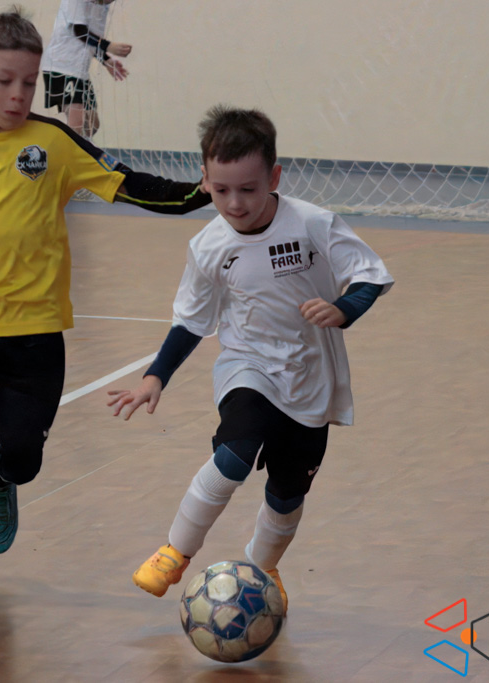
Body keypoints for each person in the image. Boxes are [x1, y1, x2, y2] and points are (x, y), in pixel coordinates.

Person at [0, 7, 211, 602]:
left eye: (29, 82)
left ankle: (0, 478)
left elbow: (129, 183)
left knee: (25, 456)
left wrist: (197, 194)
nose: (19, 94)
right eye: (5, 81)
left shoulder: (53, 141)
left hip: (34, 339)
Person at [107, 106, 394, 615]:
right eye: (221, 191)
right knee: (234, 453)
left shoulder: (312, 224)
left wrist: (343, 308)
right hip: (248, 364)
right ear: (204, 180)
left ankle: (263, 568)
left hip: (310, 376)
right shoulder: (208, 246)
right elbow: (192, 321)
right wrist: (155, 377)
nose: (234, 203)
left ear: (274, 178)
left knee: (287, 494)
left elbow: (370, 274)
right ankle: (175, 551)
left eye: (248, 189)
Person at [41, 0, 130, 138]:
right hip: (61, 67)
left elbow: (90, 41)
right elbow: (80, 32)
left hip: (79, 71)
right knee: (77, 123)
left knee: (92, 125)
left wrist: (106, 60)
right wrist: (108, 46)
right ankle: (60, 148)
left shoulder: (102, 7)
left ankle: (62, 143)